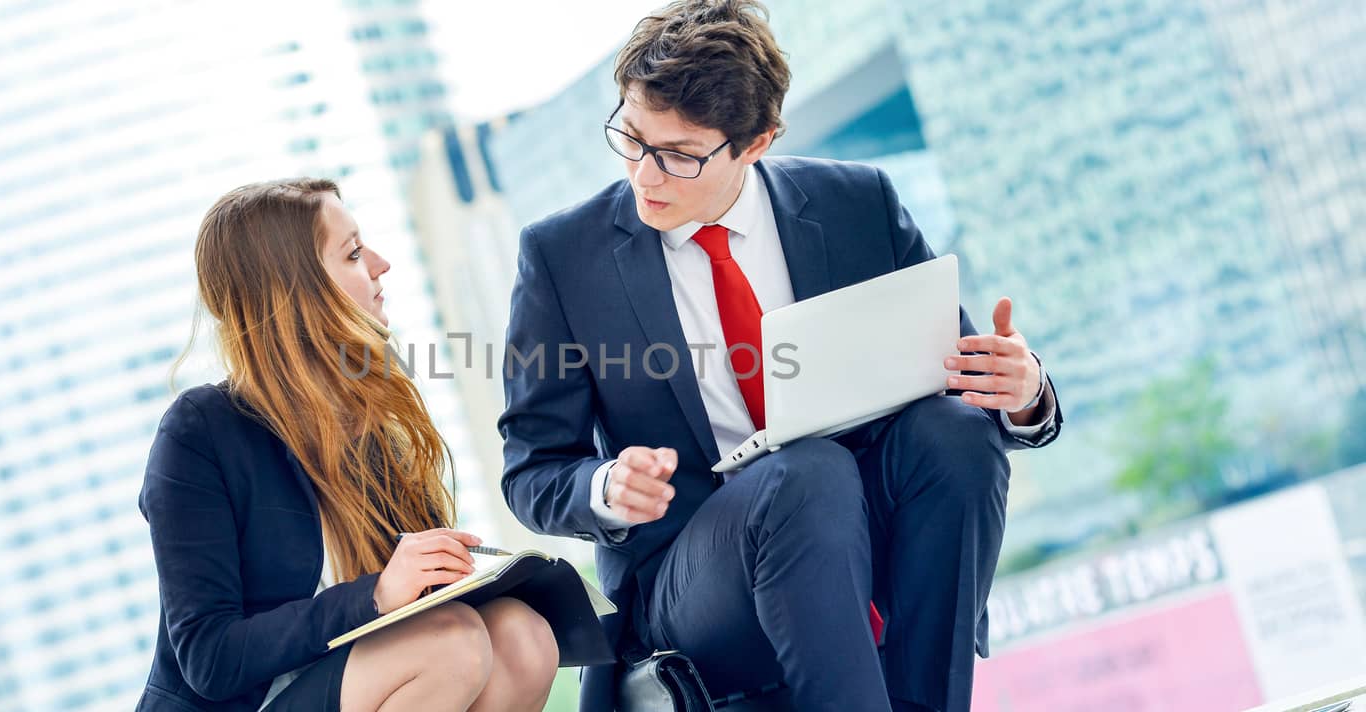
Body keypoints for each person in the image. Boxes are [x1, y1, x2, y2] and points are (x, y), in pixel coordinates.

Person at [497, 3, 1064, 711]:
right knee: (807, 470)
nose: (646, 175)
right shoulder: (563, 258)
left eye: (679, 155)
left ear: (756, 142)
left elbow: (960, 380)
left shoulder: (856, 204)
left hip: (865, 531)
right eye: (632, 138)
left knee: (956, 433)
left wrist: (1024, 391)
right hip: (695, 575)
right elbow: (531, 471)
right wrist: (607, 488)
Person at [137, 178, 559, 712]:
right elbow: (209, 659)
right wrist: (378, 594)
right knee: (451, 644)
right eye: (354, 253)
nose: (382, 264)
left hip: (362, 682)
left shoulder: (371, 414)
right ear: (295, 290)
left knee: (523, 636)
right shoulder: (200, 431)